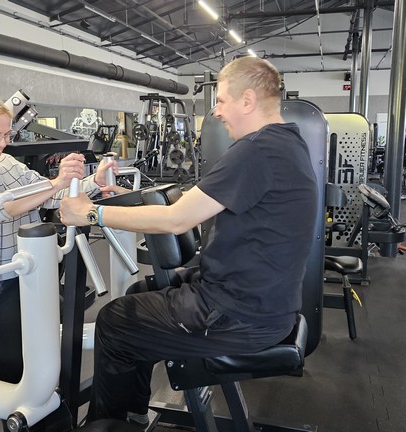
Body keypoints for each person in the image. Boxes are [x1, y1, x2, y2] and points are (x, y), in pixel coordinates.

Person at [59, 57, 319, 424]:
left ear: (247, 100)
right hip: (261, 304)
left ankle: (108, 424)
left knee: (115, 322)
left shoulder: (256, 149)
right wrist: (126, 198)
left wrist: (90, 213)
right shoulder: (287, 142)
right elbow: (200, 199)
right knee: (138, 295)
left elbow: (176, 219)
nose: (217, 111)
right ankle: (134, 415)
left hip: (239, 315)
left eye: (222, 100)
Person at [0, 93, 116, 390]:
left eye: (6, 135)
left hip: (10, 281)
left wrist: (93, 182)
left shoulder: (7, 163)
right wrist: (56, 182)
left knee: (17, 367)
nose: (1, 143)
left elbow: (48, 195)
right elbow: (0, 207)